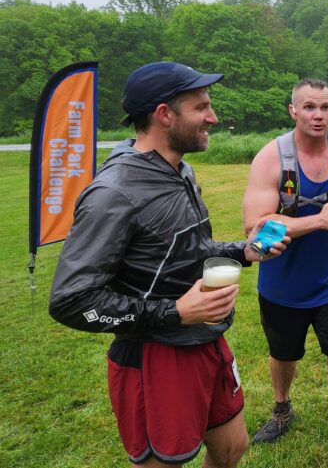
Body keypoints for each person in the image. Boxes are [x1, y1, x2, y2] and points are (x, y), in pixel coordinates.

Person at [49, 61, 288, 468]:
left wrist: (243, 251)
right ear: (164, 114)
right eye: (202, 108)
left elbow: (189, 249)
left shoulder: (180, 170)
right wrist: (175, 312)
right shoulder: (114, 192)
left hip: (206, 339)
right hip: (154, 357)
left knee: (232, 447)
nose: (213, 117)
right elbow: (71, 300)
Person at [242, 78, 328, 468]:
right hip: (281, 282)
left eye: (325, 107)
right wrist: (315, 222)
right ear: (293, 111)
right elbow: (253, 228)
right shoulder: (272, 158)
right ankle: (283, 409)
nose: (317, 115)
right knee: (283, 353)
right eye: (308, 107)